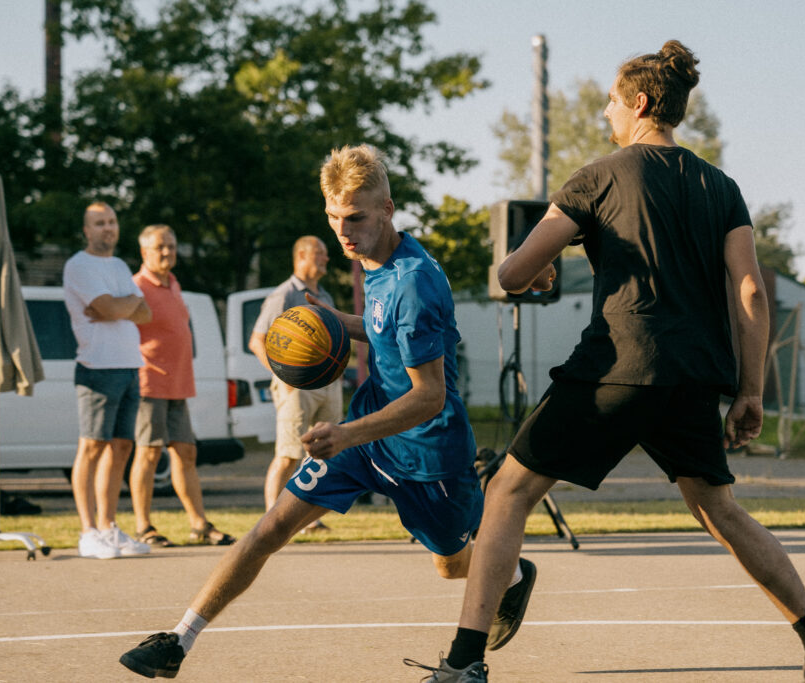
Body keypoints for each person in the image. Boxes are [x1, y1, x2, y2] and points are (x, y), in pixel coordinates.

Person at [412, 41, 805, 683]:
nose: (604, 113)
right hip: (691, 378)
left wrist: (537, 270)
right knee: (721, 511)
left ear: (641, 103)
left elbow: (512, 272)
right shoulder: (722, 187)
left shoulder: (596, 177)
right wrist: (751, 391)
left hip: (615, 368)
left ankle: (464, 663)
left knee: (507, 492)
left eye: (610, 102)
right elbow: (751, 291)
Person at [118, 144, 534, 679]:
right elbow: (382, 329)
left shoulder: (413, 282)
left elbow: (429, 395)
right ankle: (177, 640)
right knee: (269, 528)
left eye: (356, 217)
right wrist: (336, 320)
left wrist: (344, 432)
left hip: (429, 455)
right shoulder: (376, 264)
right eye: (334, 217)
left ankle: (513, 576)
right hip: (364, 440)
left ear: (387, 207)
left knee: (453, 565)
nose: (343, 231)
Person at [129, 224, 236, 548]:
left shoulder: (173, 283)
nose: (167, 252)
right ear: (144, 252)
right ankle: (143, 525)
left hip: (178, 382)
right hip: (149, 382)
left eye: (171, 246)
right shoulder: (137, 287)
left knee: (186, 453)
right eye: (160, 247)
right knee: (148, 454)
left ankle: (199, 524)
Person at [63, 201, 152, 560]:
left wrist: (120, 304)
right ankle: (88, 532)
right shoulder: (78, 265)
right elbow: (113, 309)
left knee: (121, 449)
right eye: (99, 223)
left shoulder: (117, 265)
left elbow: (143, 313)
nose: (107, 228)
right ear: (86, 230)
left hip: (130, 365)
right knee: (92, 447)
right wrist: (121, 306)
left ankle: (108, 527)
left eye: (112, 222)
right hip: (97, 368)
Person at [247, 235, 341, 532]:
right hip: (297, 385)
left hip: (328, 383)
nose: (326, 258)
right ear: (301, 255)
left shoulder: (325, 296)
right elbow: (257, 341)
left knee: (324, 452)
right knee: (289, 453)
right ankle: (271, 521)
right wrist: (281, 374)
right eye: (321, 253)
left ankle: (307, 520)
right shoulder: (284, 295)